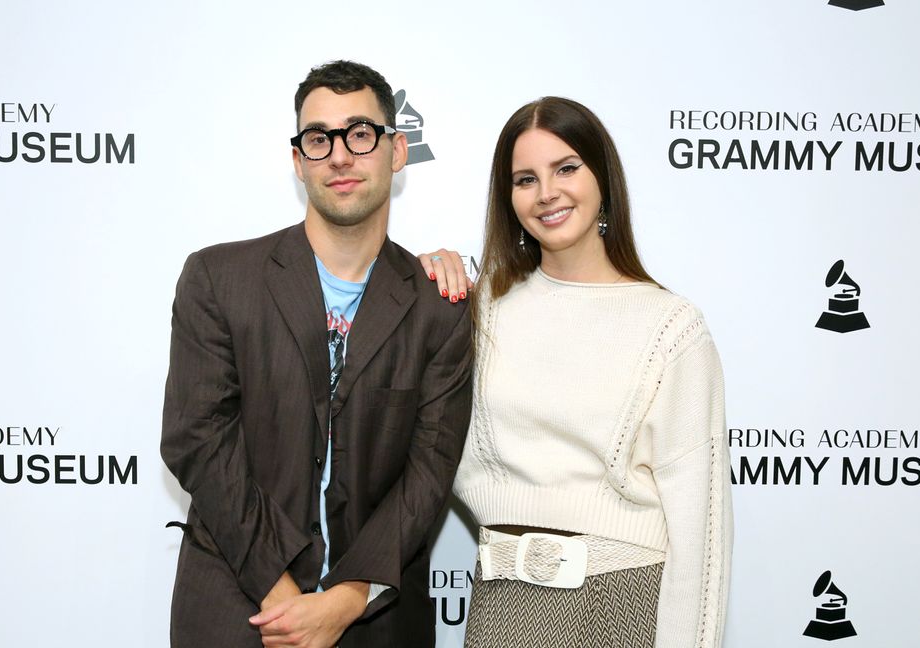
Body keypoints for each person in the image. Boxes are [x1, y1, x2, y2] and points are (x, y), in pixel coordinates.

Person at [161, 60, 472, 648]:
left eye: (360, 134)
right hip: (236, 607)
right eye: (318, 138)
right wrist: (284, 597)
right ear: (299, 160)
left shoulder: (440, 306)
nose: (339, 155)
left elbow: (429, 472)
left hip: (375, 618)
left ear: (397, 152)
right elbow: (196, 439)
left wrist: (345, 601)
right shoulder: (219, 279)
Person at [420, 97, 733, 647]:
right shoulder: (479, 311)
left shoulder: (670, 327)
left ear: (603, 179)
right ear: (508, 197)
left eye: (566, 168)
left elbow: (702, 531)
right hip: (501, 603)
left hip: (621, 603)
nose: (547, 193)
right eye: (525, 179)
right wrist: (415, 287)